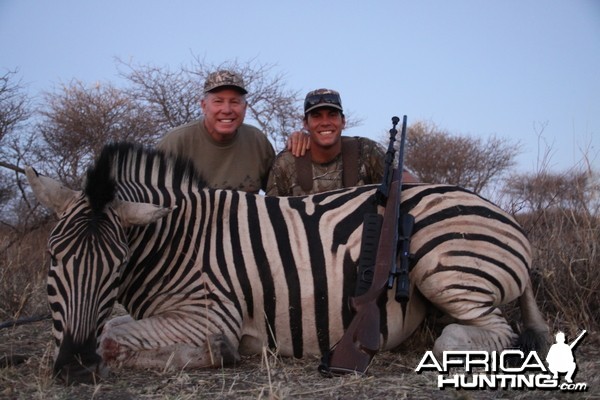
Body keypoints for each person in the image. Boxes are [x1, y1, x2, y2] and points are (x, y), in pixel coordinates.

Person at [267, 88, 417, 196]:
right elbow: (271, 215)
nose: (325, 122)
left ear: (343, 121)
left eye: (332, 115)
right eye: (317, 116)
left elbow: (405, 180)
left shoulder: (366, 151)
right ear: (306, 123)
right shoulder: (286, 162)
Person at [157, 70, 275, 194]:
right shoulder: (176, 142)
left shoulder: (257, 141)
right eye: (218, 101)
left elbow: (280, 188)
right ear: (204, 106)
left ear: (245, 108)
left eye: (234, 102)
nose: (226, 110)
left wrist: (295, 142)